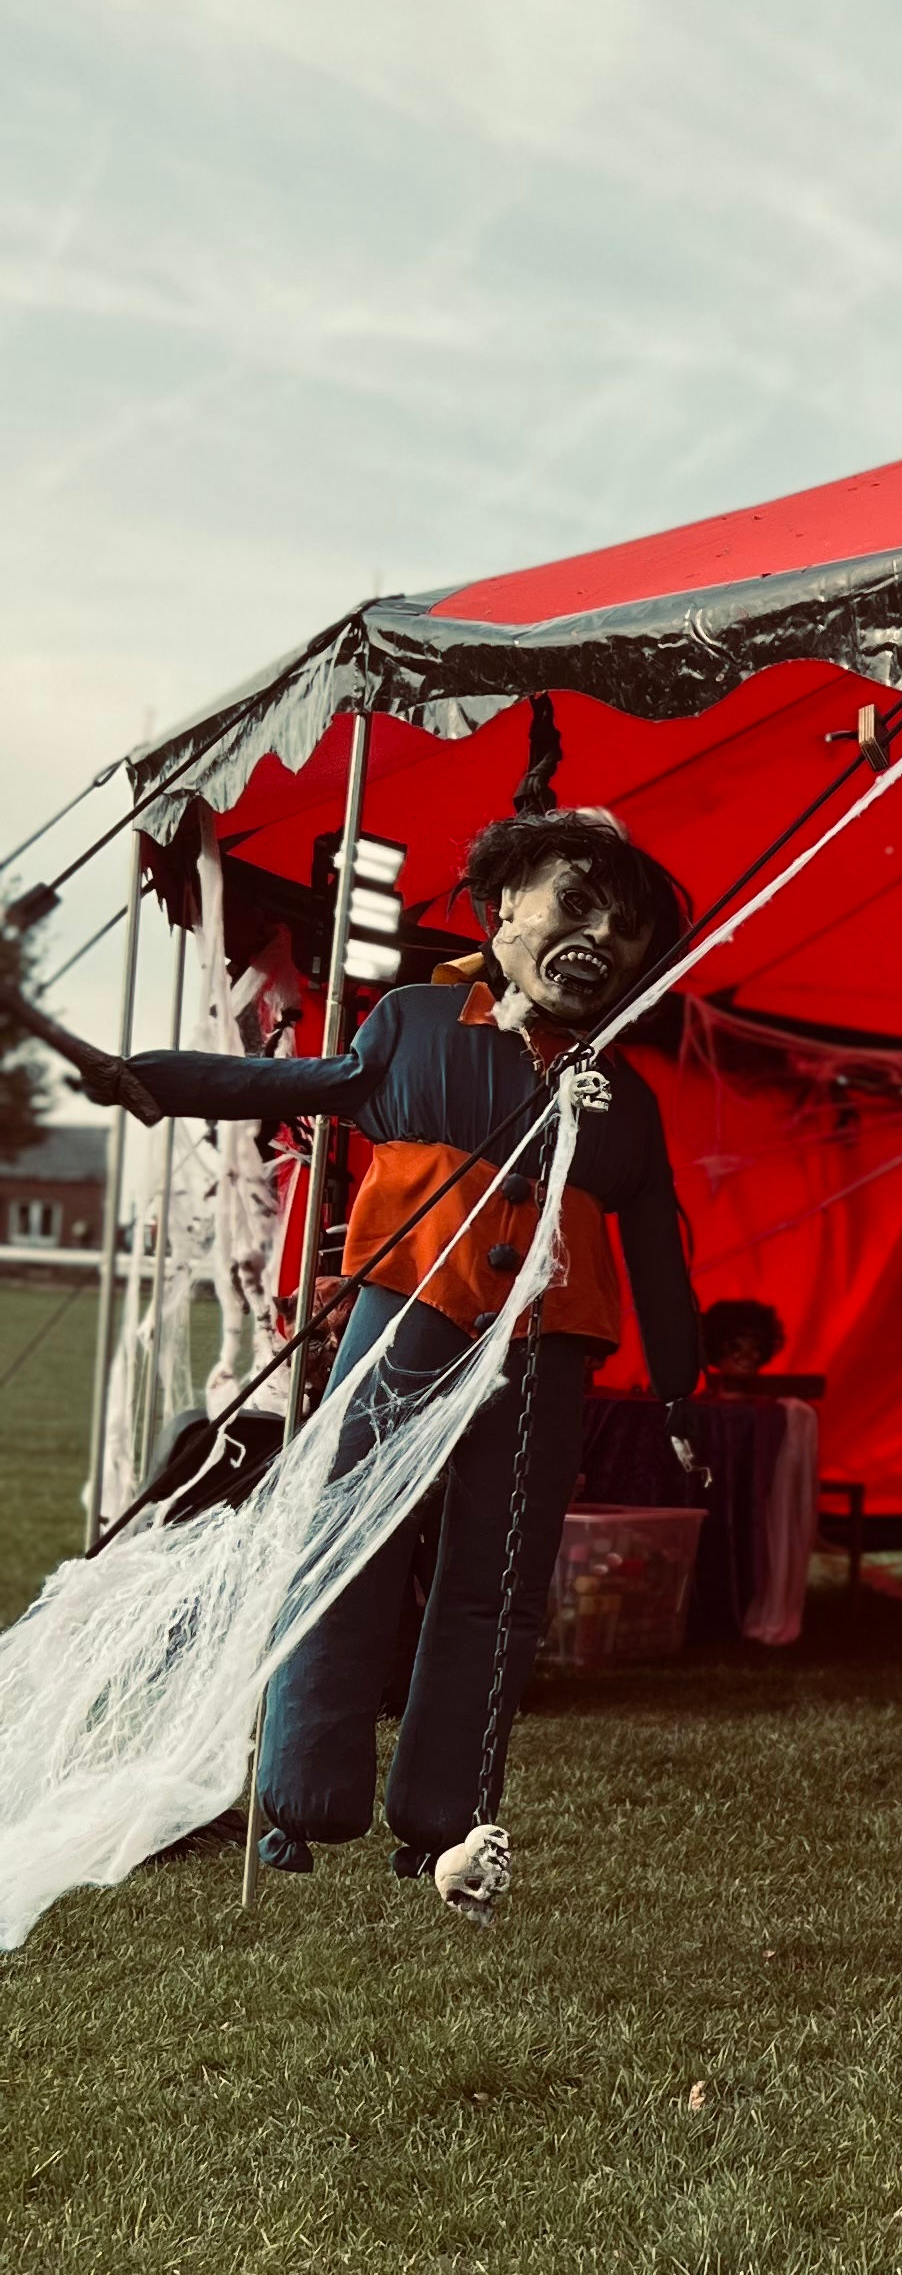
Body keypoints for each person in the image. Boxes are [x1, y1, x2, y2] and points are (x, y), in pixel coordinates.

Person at [110, 809, 701, 1896]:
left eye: (627, 931)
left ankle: (446, 1820)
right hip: (411, 1317)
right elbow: (302, 1088)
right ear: (506, 902)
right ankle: (303, 1797)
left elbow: (659, 1245)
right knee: (344, 1544)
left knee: (499, 1584)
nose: (599, 939)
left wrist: (679, 1392)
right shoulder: (419, 1022)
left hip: (542, 1351)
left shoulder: (623, 1094)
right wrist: (156, 1079)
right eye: (576, 904)